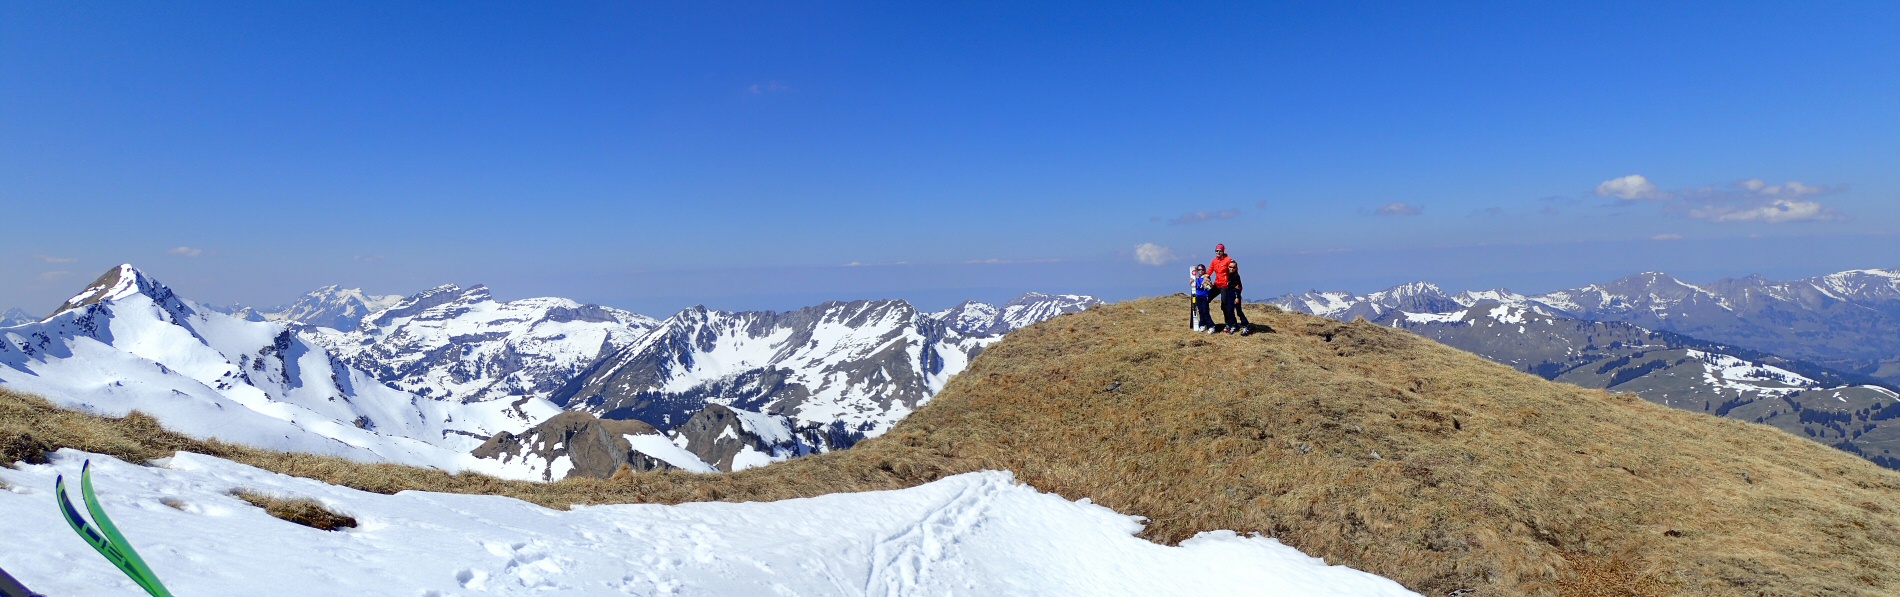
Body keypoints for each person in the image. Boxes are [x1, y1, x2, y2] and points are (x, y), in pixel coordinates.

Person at [1208, 244, 1236, 332]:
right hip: (1217, 284)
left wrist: (1232, 282)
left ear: (1223, 251)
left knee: (1224, 305)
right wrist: (1203, 278)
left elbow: (1233, 270)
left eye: (1220, 251)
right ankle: (1206, 321)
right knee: (1205, 299)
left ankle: (1229, 323)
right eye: (1216, 251)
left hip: (1225, 285)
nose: (1218, 252)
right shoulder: (1214, 261)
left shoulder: (1228, 260)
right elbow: (1209, 271)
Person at [1224, 260, 1252, 335]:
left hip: (1235, 294)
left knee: (1238, 311)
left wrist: (1237, 297)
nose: (1231, 269)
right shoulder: (1227, 274)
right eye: (1230, 267)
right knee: (1230, 311)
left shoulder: (1236, 276)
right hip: (1229, 294)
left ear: (1236, 268)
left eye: (1233, 267)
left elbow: (1238, 287)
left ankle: (1246, 325)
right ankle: (1234, 325)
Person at [1189, 264, 1214, 332]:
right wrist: (1191, 282)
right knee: (1200, 311)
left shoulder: (1206, 277)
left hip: (1204, 296)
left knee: (1205, 311)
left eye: (1202, 269)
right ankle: (1202, 325)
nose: (1201, 271)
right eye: (1199, 270)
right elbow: (1194, 286)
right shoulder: (1196, 278)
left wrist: (1206, 282)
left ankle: (1211, 326)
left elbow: (1210, 287)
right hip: (1198, 296)